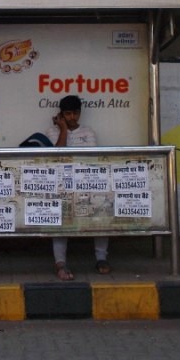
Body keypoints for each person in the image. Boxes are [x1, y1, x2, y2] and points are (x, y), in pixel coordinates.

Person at [44, 94, 109, 281]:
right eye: (68, 114)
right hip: (62, 184)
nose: (72, 117)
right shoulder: (52, 132)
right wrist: (63, 129)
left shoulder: (88, 132)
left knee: (102, 212)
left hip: (86, 182)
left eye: (75, 113)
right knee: (60, 218)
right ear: (61, 114)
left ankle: (101, 258)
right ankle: (60, 263)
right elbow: (57, 156)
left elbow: (91, 159)